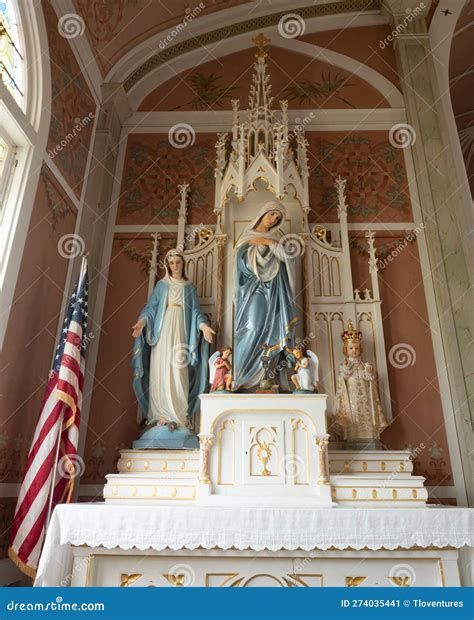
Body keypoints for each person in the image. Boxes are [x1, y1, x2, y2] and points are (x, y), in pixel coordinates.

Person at [131, 249, 214, 431]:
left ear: (183, 264)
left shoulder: (189, 287)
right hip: (162, 331)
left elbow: (195, 313)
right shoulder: (162, 285)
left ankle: (179, 416)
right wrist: (142, 322)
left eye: (178, 262)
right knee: (160, 369)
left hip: (181, 332)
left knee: (178, 370)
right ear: (167, 265)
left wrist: (204, 327)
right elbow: (151, 308)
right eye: (171, 263)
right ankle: (159, 415)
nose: (175, 266)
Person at [233, 202, 299, 390]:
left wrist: (271, 243)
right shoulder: (246, 238)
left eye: (278, 219)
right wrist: (258, 246)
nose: (274, 221)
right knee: (252, 327)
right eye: (272, 215)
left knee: (274, 329)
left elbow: (288, 262)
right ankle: (243, 377)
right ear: (263, 214)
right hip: (253, 291)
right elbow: (240, 268)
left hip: (276, 291)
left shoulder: (277, 239)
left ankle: (269, 378)